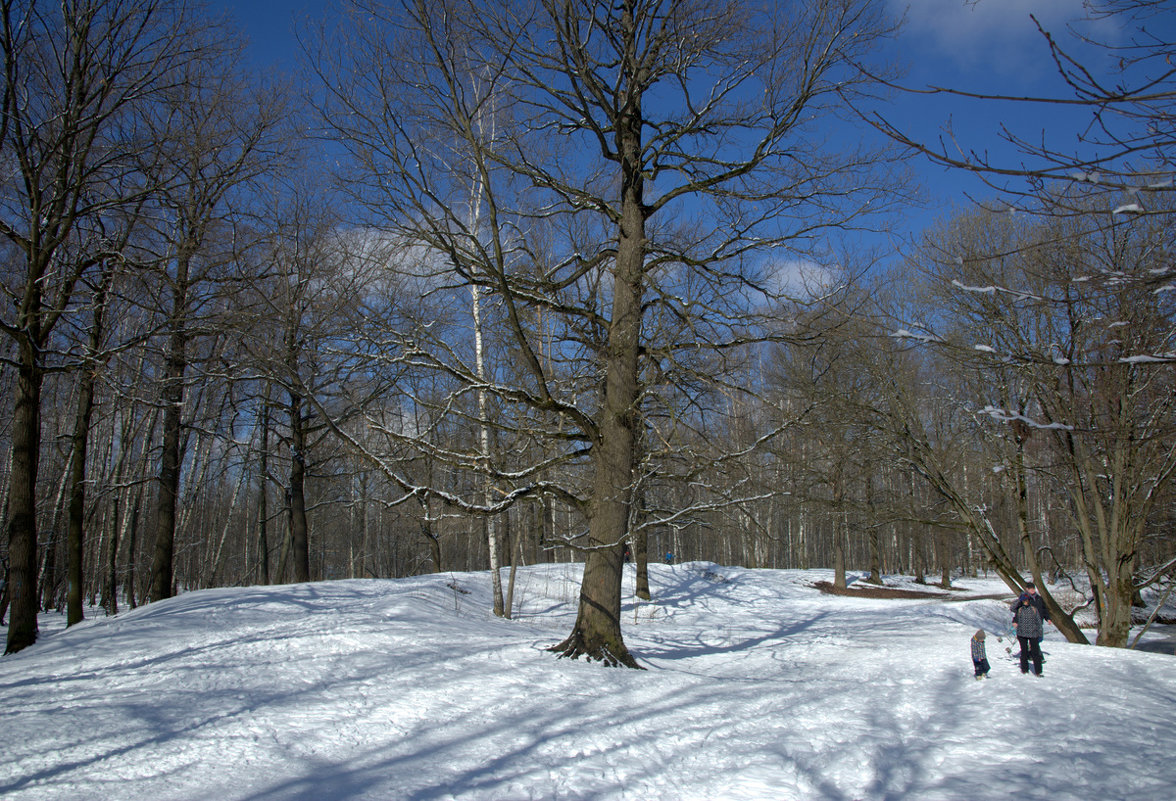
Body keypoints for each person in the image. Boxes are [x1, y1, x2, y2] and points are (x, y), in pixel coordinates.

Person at [1013, 593, 1047, 676]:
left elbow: (1039, 622)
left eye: (1026, 600)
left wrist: (1040, 634)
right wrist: (1019, 600)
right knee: (1024, 653)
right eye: (1023, 600)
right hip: (1022, 634)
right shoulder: (1019, 609)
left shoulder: (1034, 609)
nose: (1025, 602)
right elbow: (1012, 608)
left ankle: (1038, 671)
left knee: (1035, 653)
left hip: (1033, 634)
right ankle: (1024, 670)